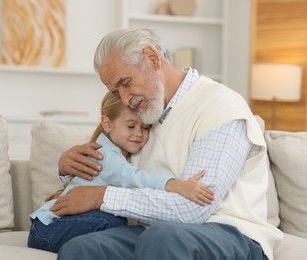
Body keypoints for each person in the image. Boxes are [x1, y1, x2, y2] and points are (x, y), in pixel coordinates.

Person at [51, 28, 283, 260]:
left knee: (163, 238)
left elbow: (193, 208)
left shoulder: (219, 105)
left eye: (126, 82)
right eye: (116, 90)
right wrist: (68, 166)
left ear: (152, 58)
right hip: (154, 231)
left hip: (230, 233)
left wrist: (101, 197)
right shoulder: (145, 113)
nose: (125, 99)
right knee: (81, 249)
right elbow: (115, 170)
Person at [27, 91, 214, 253]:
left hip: (54, 228)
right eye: (131, 126)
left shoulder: (121, 151)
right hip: (47, 230)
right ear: (107, 124)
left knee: (113, 220)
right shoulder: (105, 155)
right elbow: (132, 178)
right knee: (112, 222)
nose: (139, 133)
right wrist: (176, 185)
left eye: (145, 127)